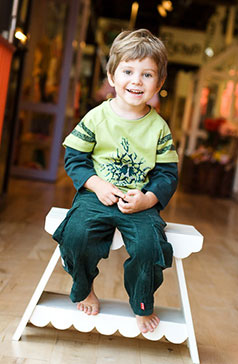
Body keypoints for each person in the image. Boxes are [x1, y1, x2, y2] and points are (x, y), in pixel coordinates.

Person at [52, 29, 179, 333]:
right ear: (111, 76)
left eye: (147, 74)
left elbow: (167, 173)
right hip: (95, 195)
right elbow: (74, 158)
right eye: (128, 71)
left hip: (138, 202)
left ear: (159, 84)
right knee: (76, 235)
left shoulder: (159, 129)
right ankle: (83, 287)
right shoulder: (96, 117)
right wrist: (96, 184)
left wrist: (148, 199)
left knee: (151, 247)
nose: (136, 80)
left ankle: (142, 301)